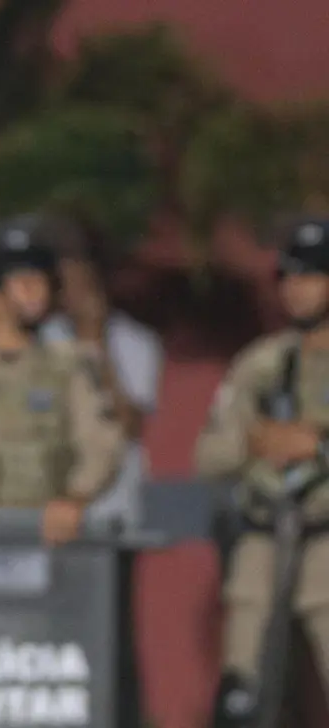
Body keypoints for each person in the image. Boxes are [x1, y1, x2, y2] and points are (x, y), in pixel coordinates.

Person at [198, 217, 329, 727]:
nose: (298, 290)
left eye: (314, 276)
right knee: (241, 690)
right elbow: (209, 454)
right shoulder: (261, 363)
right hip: (264, 530)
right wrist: (252, 441)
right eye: (291, 278)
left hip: (325, 533)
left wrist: (315, 447)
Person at [0, 222, 126, 545]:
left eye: (41, 280)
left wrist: (76, 498)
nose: (38, 291)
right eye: (23, 281)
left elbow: (101, 443)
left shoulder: (67, 365)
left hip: (42, 536)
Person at [39, 219, 164, 532]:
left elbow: (131, 426)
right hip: (54, 506)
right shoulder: (45, 338)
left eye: (81, 284)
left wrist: (97, 346)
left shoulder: (138, 343)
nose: (73, 295)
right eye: (65, 284)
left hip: (116, 506)